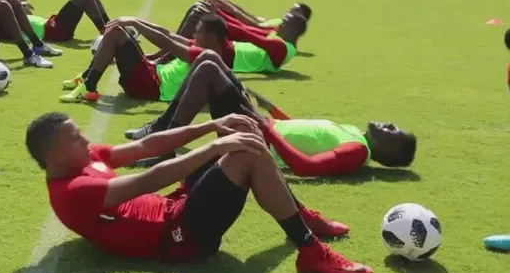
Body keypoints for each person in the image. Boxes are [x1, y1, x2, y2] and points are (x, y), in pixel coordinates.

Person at [25, 112, 373, 273]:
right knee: (246, 154)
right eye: (76, 138)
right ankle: (311, 251)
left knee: (242, 131)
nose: (86, 140)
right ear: (55, 154)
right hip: (180, 237)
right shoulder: (72, 191)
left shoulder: (85, 159)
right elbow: (149, 179)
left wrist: (213, 125)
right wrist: (215, 147)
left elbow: (147, 146)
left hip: (175, 208)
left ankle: (298, 215)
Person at [123, 59, 418, 176]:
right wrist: (270, 110)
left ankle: (164, 144)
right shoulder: (353, 132)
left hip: (257, 139)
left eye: (394, 132)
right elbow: (303, 133)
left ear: (390, 152)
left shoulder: (357, 151)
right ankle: (162, 135)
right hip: (262, 127)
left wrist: (265, 126)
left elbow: (306, 167)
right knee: (208, 59)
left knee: (209, 70)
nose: (389, 125)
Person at [59, 15, 225, 103]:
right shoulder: (201, 47)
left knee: (117, 34)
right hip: (151, 77)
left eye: (199, 31)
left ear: (211, 36)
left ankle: (89, 87)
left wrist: (135, 24)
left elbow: (166, 42)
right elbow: (167, 33)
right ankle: (86, 78)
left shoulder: (204, 55)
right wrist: (135, 20)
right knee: (119, 32)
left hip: (152, 87)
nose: (194, 34)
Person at [175, 4, 306, 74]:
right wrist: (218, 12)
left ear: (294, 30)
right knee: (197, 8)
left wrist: (217, 17)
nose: (280, 24)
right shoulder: (281, 35)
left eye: (285, 23)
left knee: (197, 14)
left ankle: (168, 55)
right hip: (231, 49)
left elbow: (246, 34)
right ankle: (168, 53)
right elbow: (247, 28)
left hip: (231, 57)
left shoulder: (281, 48)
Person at [12, 0, 112, 44]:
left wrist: (21, 5)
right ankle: (107, 33)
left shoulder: (17, 16)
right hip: (53, 30)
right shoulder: (10, 22)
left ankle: (110, 27)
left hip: (54, 25)